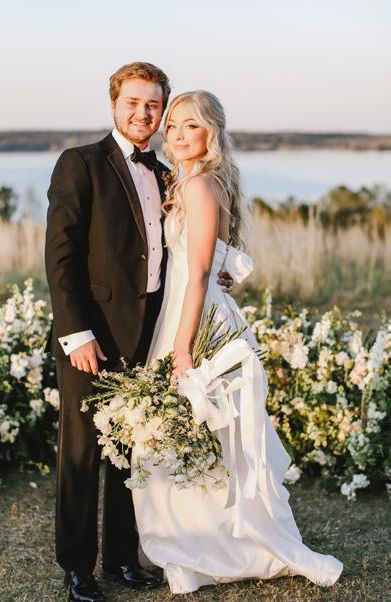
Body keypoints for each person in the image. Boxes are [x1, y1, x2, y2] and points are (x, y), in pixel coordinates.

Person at [132, 90, 344, 594]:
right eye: (173, 126)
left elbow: (201, 272)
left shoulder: (200, 185)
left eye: (191, 126)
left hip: (193, 319)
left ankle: (217, 550)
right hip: (188, 309)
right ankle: (195, 547)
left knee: (205, 432)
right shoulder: (193, 180)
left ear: (212, 132)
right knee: (191, 435)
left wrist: (182, 349)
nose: (178, 135)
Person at [44, 64, 233, 602]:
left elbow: (184, 250)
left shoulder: (171, 174)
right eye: (133, 102)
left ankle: (123, 559)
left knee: (132, 450)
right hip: (91, 337)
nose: (142, 113)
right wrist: (75, 333)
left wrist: (218, 270)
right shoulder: (81, 163)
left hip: (151, 331)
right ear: (114, 104)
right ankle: (78, 569)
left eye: (153, 104)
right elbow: (60, 256)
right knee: (81, 454)